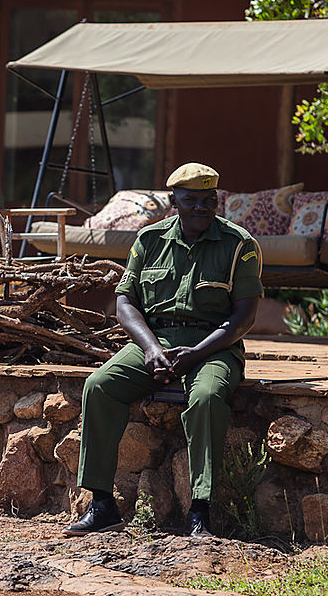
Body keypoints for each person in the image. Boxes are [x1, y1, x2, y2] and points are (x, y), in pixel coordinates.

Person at [62, 162, 264, 538]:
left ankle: (200, 510)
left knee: (205, 397)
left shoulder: (239, 244)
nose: (201, 207)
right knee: (99, 386)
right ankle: (103, 504)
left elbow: (244, 317)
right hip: (157, 342)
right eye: (191, 199)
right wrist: (152, 349)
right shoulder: (149, 240)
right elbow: (125, 303)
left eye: (209, 200)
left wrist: (196, 353)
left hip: (216, 345)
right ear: (174, 201)